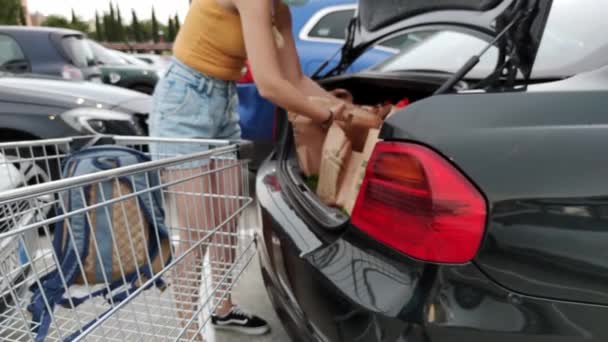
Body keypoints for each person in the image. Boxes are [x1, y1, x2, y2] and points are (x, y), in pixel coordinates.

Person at [148, 0, 353, 339]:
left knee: (228, 214)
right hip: (184, 101)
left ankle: (223, 308)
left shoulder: (280, 10)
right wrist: (330, 117)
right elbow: (271, 86)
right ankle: (188, 332)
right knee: (198, 228)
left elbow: (296, 79)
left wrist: (346, 110)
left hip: (222, 101)